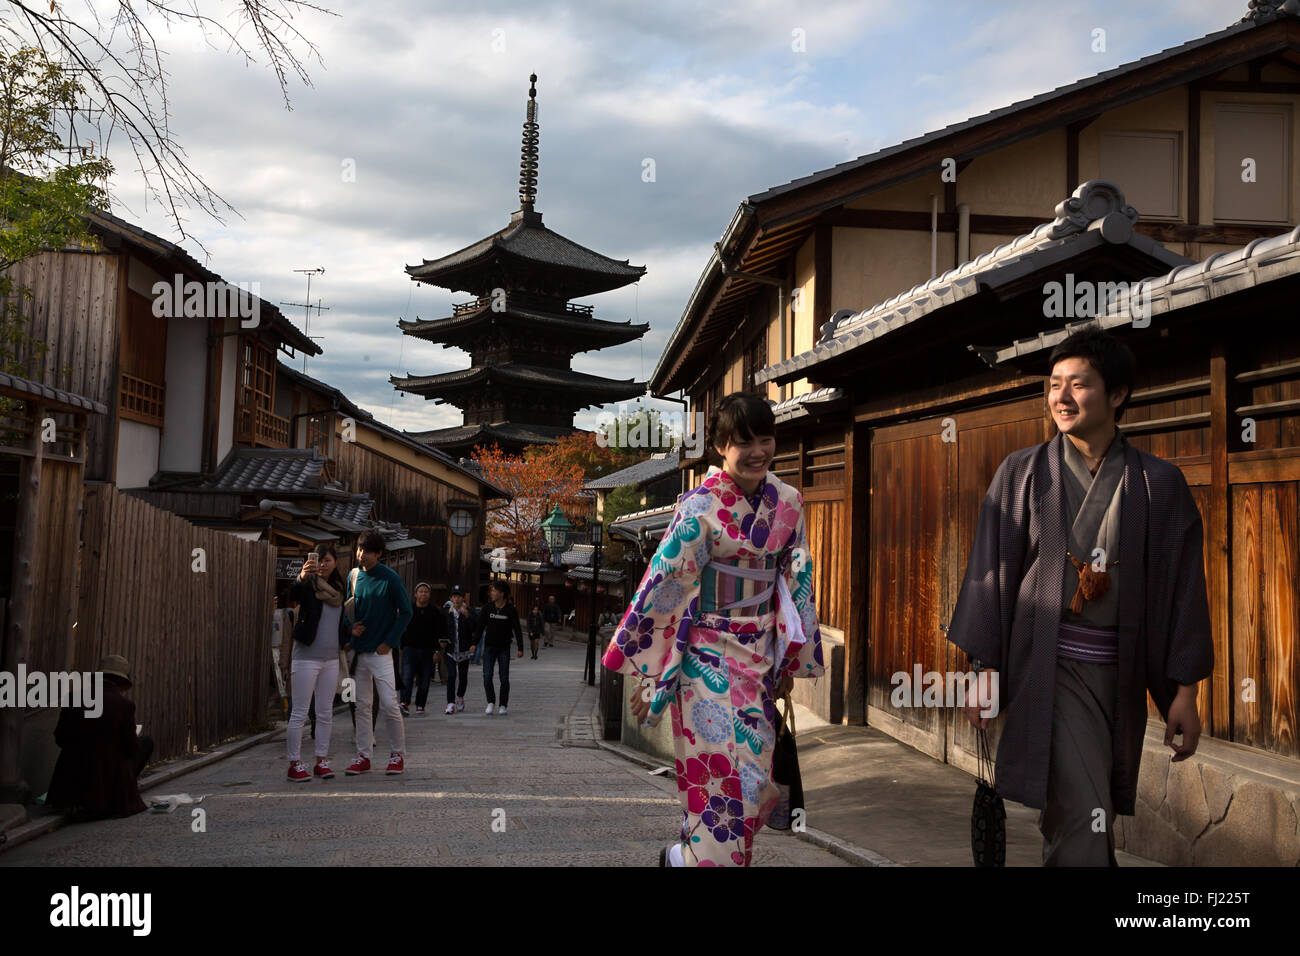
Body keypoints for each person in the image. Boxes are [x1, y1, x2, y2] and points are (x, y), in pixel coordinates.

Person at [947, 327, 1213, 866]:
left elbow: (1183, 588)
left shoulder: (1158, 484)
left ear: (1117, 395)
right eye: (1053, 385)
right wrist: (983, 668)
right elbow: (990, 574)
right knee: (1083, 821)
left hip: (1120, 678)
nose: (1061, 398)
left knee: (1085, 816)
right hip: (1048, 667)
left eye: (1079, 385)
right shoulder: (1021, 474)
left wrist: (1185, 690)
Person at [603, 393, 824, 867]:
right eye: (745, 441)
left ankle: (683, 858)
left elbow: (796, 582)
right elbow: (667, 586)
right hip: (704, 660)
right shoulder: (699, 506)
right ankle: (695, 859)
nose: (759, 451)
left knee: (753, 783)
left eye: (766, 439)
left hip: (761, 655)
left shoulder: (788, 503)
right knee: (722, 780)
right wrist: (651, 675)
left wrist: (789, 657)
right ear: (721, 446)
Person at [47, 655, 152, 820]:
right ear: (120, 682)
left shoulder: (74, 697)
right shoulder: (124, 705)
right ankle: (119, 792)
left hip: (71, 779)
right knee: (146, 743)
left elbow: (60, 737)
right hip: (106, 779)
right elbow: (130, 747)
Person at [344, 530, 413, 775]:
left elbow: (406, 611)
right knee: (361, 704)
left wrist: (390, 641)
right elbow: (347, 611)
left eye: (367, 551)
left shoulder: (390, 578)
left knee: (389, 704)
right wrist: (350, 631)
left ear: (379, 554)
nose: (361, 555)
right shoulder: (353, 576)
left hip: (381, 652)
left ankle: (397, 755)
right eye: (359, 549)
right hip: (358, 652)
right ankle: (363, 755)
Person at [286, 545, 346, 781]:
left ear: (335, 563)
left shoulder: (339, 590)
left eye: (327, 560)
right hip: (306, 656)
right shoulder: (307, 585)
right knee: (299, 712)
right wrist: (302, 575)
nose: (323, 564)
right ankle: (295, 763)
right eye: (319, 560)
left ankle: (322, 760)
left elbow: (340, 621)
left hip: (331, 658)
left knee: (325, 712)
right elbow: (292, 593)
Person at [473, 579, 523, 714]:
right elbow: (480, 627)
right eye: (492, 590)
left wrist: (520, 648)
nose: (492, 593)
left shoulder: (511, 610)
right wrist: (474, 643)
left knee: (504, 678)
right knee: (487, 675)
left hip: (504, 648)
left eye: (494, 590)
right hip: (489, 647)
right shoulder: (488, 608)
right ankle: (490, 701)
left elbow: (517, 629)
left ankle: (503, 705)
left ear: (502, 593)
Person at [400, 582, 443, 715]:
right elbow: (401, 628)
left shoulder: (434, 611)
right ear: (415, 594)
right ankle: (404, 703)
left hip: (428, 650)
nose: (423, 594)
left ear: (429, 595)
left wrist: (437, 651)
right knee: (407, 677)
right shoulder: (409, 609)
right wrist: (402, 646)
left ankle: (420, 704)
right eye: (421, 591)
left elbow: (439, 632)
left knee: (424, 680)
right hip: (410, 649)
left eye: (426, 591)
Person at [442, 585, 475, 713]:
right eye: (454, 596)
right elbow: (441, 629)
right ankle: (450, 703)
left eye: (459, 596)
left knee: (463, 676)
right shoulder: (446, 612)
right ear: (451, 598)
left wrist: (468, 616)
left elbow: (475, 628)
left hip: (464, 649)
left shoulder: (469, 611)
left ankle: (460, 697)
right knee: (451, 675)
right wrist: (441, 642)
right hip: (450, 649)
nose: (456, 599)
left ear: (463, 598)